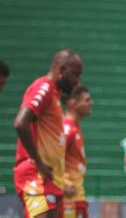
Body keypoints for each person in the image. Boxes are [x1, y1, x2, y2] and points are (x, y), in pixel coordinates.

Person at [13, 49, 83, 218]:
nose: (77, 81)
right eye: (75, 74)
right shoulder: (43, 86)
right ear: (61, 69)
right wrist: (39, 163)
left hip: (49, 179)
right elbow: (20, 123)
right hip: (35, 177)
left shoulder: (54, 95)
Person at [63, 86, 93, 218]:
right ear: (73, 103)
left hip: (77, 196)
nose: (91, 103)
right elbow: (47, 158)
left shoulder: (74, 127)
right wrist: (62, 185)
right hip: (67, 198)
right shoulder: (66, 129)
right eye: (87, 100)